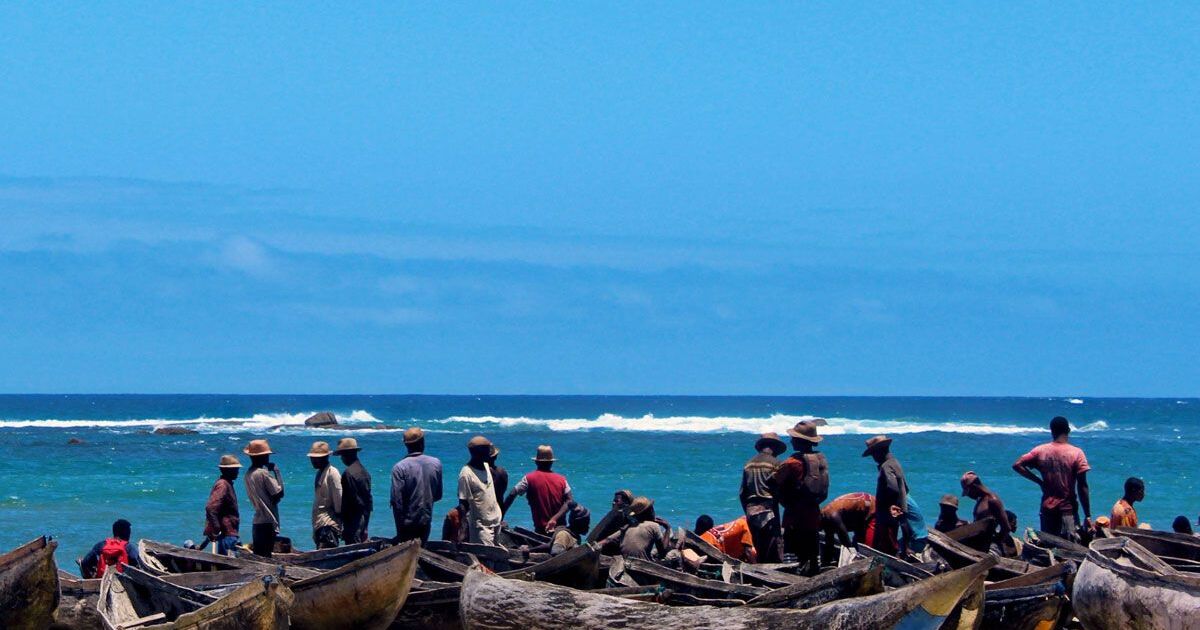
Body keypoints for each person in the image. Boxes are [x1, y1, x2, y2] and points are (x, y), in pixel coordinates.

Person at [1012, 416, 1092, 542]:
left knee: (1049, 545)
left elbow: (1017, 465)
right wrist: (1087, 515)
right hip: (1068, 510)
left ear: (1052, 431)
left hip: (1047, 509)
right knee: (1070, 548)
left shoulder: (1040, 451)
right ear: (1068, 430)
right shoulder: (1076, 453)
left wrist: (1039, 481)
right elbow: (1082, 486)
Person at [772, 420, 829, 576]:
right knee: (812, 553)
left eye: (794, 438)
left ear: (799, 440)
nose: (791, 440)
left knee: (792, 553)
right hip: (814, 513)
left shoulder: (792, 462)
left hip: (794, 516)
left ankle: (792, 580)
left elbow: (772, 481)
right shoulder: (820, 459)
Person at [501, 445, 574, 535]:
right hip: (561, 530)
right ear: (551, 462)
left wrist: (501, 516)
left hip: (541, 530)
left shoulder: (528, 479)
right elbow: (570, 501)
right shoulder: (562, 480)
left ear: (536, 462)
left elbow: (512, 494)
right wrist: (554, 519)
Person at [391, 427, 443, 544]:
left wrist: (400, 532)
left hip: (407, 523)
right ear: (423, 443)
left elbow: (397, 502)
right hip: (426, 520)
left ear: (406, 446)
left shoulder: (399, 468)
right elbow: (438, 495)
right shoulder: (436, 463)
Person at [740, 432, 786, 564]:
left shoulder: (748, 464)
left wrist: (747, 511)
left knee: (759, 547)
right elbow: (780, 490)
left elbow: (742, 493)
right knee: (774, 548)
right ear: (774, 447)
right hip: (769, 509)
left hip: (751, 510)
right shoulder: (776, 463)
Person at [863, 434, 907, 556]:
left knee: (888, 547)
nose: (873, 457)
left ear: (879, 451)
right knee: (891, 543)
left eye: (873, 454)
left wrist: (889, 506)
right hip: (895, 514)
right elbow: (905, 488)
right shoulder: (895, 462)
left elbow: (893, 488)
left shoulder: (886, 466)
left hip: (887, 516)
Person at [457, 435, 503, 545]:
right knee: (486, 558)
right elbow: (463, 503)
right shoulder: (466, 474)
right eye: (487, 450)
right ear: (479, 452)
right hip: (481, 527)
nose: (490, 453)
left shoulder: (487, 467)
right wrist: (463, 530)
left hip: (496, 521)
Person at [244, 439, 285, 558]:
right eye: (266, 455)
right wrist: (277, 472)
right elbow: (279, 493)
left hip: (257, 522)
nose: (268, 458)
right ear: (261, 457)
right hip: (267, 521)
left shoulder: (248, 474)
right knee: (267, 557)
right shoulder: (263, 473)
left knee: (259, 557)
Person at [960, 471, 1015, 555]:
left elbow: (1006, 528)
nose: (968, 496)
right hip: (979, 542)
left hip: (988, 545)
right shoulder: (980, 500)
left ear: (974, 487)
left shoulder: (992, 500)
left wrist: (995, 542)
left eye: (968, 492)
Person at [599, 496, 667, 561]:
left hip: (624, 562)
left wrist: (593, 547)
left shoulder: (628, 526)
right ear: (649, 511)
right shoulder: (654, 526)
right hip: (642, 565)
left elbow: (608, 539)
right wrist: (667, 528)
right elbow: (662, 553)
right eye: (652, 509)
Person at [334, 437, 372, 544]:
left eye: (342, 455)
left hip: (353, 521)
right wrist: (365, 527)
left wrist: (342, 522)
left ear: (347, 454)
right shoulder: (365, 472)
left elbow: (350, 502)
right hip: (363, 519)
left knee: (352, 548)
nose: (341, 458)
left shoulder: (348, 474)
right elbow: (368, 501)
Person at [820, 492, 875, 564]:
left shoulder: (832, 516)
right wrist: (826, 561)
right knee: (858, 542)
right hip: (858, 513)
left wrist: (852, 554)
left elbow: (845, 540)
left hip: (871, 507)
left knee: (867, 547)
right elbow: (829, 541)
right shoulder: (826, 519)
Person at [203, 455, 242, 556]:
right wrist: (216, 527)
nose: (237, 472)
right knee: (228, 562)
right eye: (235, 469)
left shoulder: (226, 483)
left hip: (228, 533)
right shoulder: (223, 485)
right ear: (227, 470)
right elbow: (211, 508)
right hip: (226, 534)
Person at [308, 441, 343, 549]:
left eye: (316, 458)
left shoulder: (333, 473)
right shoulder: (319, 473)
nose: (312, 460)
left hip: (328, 525)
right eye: (312, 458)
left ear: (325, 457)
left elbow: (339, 499)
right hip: (319, 523)